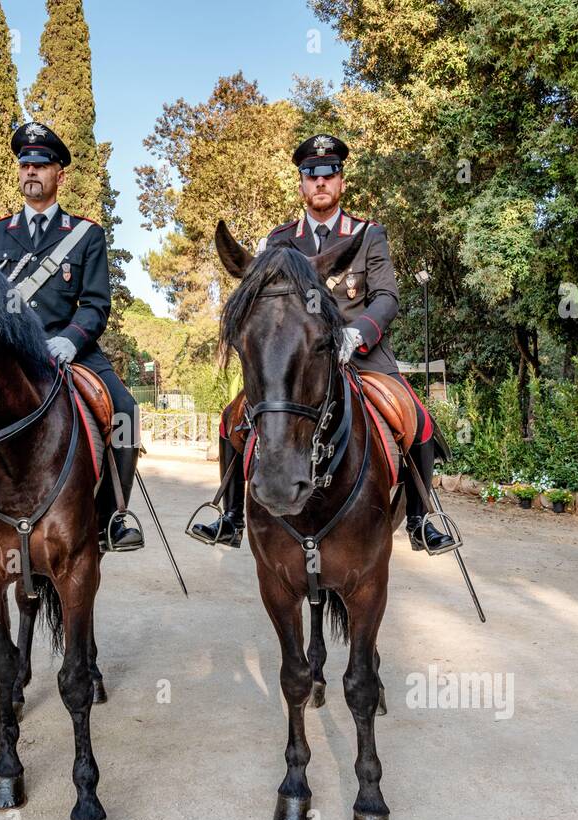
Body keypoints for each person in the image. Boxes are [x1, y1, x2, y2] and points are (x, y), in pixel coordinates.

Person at [190, 133, 455, 554]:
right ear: (301, 185)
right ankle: (230, 516)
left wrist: (358, 333)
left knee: (416, 417)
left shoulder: (368, 234)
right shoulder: (280, 241)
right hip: (299, 361)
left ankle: (423, 519)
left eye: (328, 175)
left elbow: (387, 296)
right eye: (311, 175)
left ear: (341, 183)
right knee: (232, 420)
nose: (320, 183)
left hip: (361, 355)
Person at [0, 121, 143, 554]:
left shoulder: (85, 235)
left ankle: (115, 515)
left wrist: (71, 341)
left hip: (70, 351)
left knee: (127, 412)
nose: (31, 172)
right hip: (6, 355)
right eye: (25, 164)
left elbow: (96, 304)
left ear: (60, 174)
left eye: (41, 165)